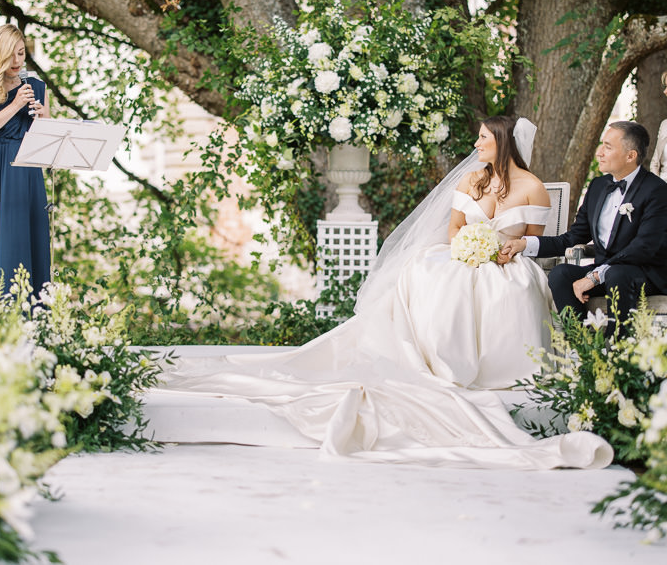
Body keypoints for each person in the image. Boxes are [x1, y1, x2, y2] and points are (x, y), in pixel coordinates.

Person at [157, 116, 614, 470]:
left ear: (503, 142)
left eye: (483, 139)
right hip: (459, 257)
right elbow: (455, 230)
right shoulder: (470, 180)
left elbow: (531, 238)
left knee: (505, 287)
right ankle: (437, 360)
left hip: (504, 265)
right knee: (431, 272)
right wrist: (467, 249)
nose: (476, 145)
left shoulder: (533, 186)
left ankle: (491, 365)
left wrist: (502, 249)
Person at [500, 121, 667, 333]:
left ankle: (617, 352)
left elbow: (645, 246)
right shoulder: (598, 186)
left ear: (630, 156)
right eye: (601, 145)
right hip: (607, 272)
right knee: (561, 274)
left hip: (647, 274)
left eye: (608, 147)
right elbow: (573, 237)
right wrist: (524, 244)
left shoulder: (657, 190)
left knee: (617, 274)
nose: (599, 153)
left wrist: (594, 277)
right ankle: (581, 347)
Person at [0, 24, 51, 298]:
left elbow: (49, 137)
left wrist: (41, 119)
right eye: (12, 55)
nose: (17, 62)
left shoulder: (36, 86)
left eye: (21, 53)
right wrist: (14, 107)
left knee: (29, 240)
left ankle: (35, 317)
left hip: (28, 173)